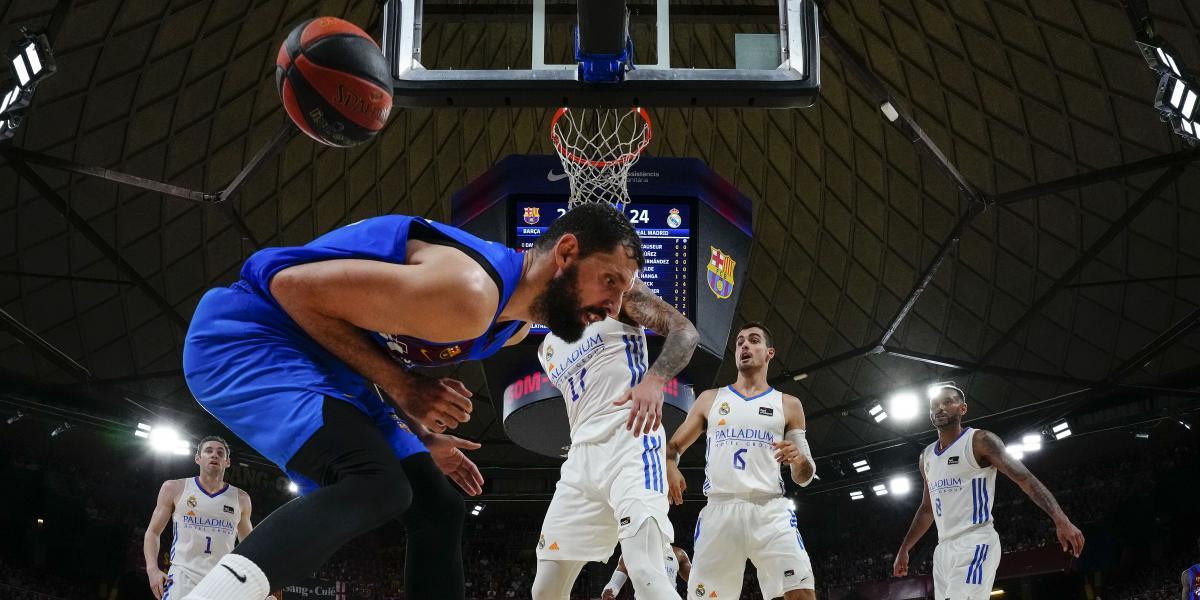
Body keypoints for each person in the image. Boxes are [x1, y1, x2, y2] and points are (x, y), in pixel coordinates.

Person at [180, 203, 646, 600]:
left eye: (623, 291)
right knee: (378, 483)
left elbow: (366, 346)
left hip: (328, 366)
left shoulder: (512, 327)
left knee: (437, 508)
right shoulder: (469, 292)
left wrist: (421, 435)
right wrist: (406, 389)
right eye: (610, 280)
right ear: (565, 253)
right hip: (247, 338)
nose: (613, 304)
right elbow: (290, 288)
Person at [531, 268, 698, 600]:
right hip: (580, 461)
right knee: (545, 589)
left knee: (647, 572)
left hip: (631, 444)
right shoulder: (546, 346)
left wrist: (654, 380)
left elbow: (685, 333)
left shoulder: (616, 295)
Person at [665, 322, 818, 600]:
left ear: (769, 352)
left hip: (770, 509)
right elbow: (672, 447)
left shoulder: (788, 404)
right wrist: (670, 466)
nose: (744, 345)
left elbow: (804, 476)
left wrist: (798, 460)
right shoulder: (710, 399)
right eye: (739, 342)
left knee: (803, 594)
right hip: (720, 511)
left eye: (753, 340)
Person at [892, 384, 1086, 599]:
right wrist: (905, 548)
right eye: (934, 405)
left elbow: (1025, 479)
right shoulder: (926, 456)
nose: (940, 408)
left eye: (947, 402)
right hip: (943, 550)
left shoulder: (980, 441)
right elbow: (927, 509)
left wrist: (1061, 519)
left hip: (975, 541)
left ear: (963, 409)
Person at [143, 437, 253, 600]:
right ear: (198, 459)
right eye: (208, 451)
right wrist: (152, 569)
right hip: (182, 578)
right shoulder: (174, 488)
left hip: (222, 581)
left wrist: (260, 587)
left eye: (220, 452)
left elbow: (250, 546)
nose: (214, 455)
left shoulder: (241, 498)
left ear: (227, 462)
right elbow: (152, 532)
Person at [601, 546, 691, 599]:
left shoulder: (678, 554)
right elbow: (615, 583)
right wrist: (608, 592)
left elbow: (694, 581)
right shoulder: (632, 552)